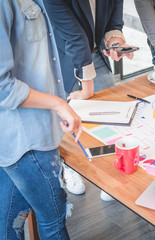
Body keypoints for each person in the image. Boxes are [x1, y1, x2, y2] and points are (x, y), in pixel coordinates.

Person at [0, 0, 82, 239]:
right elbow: (3, 87)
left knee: (7, 223)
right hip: (26, 137)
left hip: (27, 133)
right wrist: (58, 104)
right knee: (53, 221)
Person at [44, 0, 134, 201]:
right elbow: (74, 37)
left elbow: (113, 24)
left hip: (93, 53)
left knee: (110, 113)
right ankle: (70, 167)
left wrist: (115, 43)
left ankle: (108, 172)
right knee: (67, 120)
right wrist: (87, 88)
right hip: (62, 56)